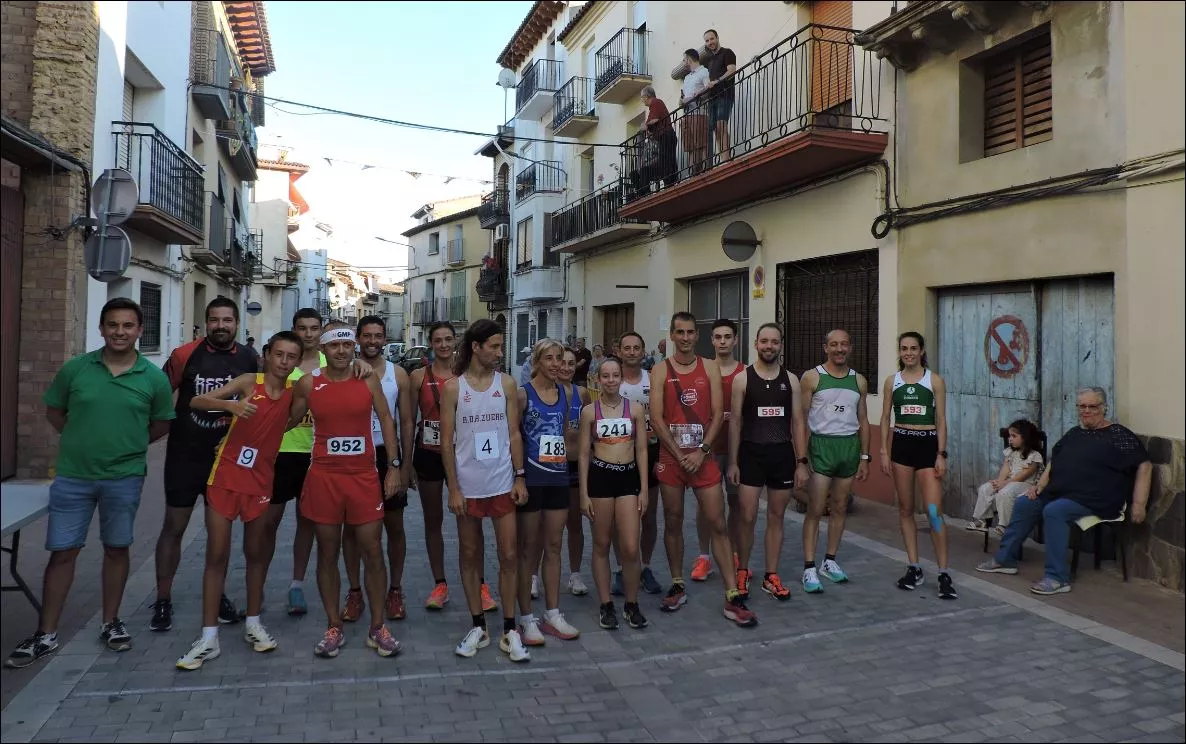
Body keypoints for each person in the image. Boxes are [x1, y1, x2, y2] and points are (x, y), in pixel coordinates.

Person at [7, 299, 174, 668]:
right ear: (101, 329)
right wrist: (80, 439)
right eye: (112, 325)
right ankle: (45, 634)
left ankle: (111, 622)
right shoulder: (76, 370)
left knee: (117, 548)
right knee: (63, 552)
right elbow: (55, 411)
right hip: (73, 477)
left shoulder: (154, 378)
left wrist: (129, 447)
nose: (119, 331)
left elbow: (161, 424)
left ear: (139, 330)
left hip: (124, 478)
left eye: (127, 325)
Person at [175, 332, 303, 669]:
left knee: (256, 554)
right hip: (225, 477)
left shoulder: (295, 392)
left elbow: (321, 394)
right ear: (267, 355)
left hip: (261, 481)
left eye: (291, 356)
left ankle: (253, 623)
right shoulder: (249, 381)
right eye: (279, 354)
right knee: (217, 554)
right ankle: (208, 637)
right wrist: (230, 405)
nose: (284, 362)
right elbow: (195, 402)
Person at [287, 326, 402, 658]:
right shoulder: (309, 383)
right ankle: (333, 625)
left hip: (363, 477)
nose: (341, 350)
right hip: (324, 477)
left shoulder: (367, 378)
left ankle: (378, 626)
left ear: (353, 346)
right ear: (324, 348)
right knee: (327, 552)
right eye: (334, 344)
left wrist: (393, 466)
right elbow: (289, 420)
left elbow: (386, 418)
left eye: (346, 344)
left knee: (373, 551)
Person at [977, 387, 1153, 595]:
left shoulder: (1118, 435)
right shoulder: (1074, 433)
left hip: (1096, 498)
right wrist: (1039, 486)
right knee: (1026, 502)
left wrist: (1139, 504)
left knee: (1055, 511)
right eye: (1082, 406)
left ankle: (1057, 577)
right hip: (1061, 492)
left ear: (1104, 408)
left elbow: (1144, 465)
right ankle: (1005, 559)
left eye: (1092, 406)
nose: (1087, 411)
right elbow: (1053, 461)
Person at [151, 297, 259, 632]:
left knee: (219, 538)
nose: (221, 326)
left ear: (237, 324)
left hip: (224, 461)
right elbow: (158, 396)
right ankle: (163, 599)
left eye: (228, 320)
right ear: (205, 322)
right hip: (185, 456)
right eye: (214, 320)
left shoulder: (249, 357)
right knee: (174, 528)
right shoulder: (184, 355)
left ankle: (218, 596)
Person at [651, 312, 757, 626]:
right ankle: (677, 583)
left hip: (703, 457)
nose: (685, 337)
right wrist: (679, 453)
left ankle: (731, 594)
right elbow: (656, 418)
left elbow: (716, 414)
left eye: (690, 332)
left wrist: (702, 451)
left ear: (697, 336)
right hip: (672, 459)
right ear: (671, 335)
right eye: (679, 332)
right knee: (673, 520)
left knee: (718, 523)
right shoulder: (659, 370)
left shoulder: (709, 367)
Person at [441, 320, 532, 662]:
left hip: (501, 483)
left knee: (508, 555)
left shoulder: (506, 384)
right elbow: (448, 444)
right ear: (476, 347)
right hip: (468, 486)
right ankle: (478, 625)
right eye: (493, 346)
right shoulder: (453, 388)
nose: (498, 352)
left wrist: (519, 477)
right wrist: (453, 488)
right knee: (469, 554)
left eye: (500, 346)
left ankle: (510, 629)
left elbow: (513, 434)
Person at [410, 322, 498, 612]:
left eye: (449, 339)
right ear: (430, 343)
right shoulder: (418, 377)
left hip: (464, 454)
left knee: (472, 523)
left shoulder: (466, 377)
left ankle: (481, 585)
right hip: (428, 454)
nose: (444, 345)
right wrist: (406, 462)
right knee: (433, 521)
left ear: (456, 342)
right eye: (438, 340)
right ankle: (440, 584)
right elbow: (410, 420)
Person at [340, 317, 415, 623]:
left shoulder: (398, 374)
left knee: (394, 527)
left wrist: (405, 465)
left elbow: (407, 421)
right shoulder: (345, 371)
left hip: (387, 456)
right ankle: (355, 591)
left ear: (385, 339)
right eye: (367, 335)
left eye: (378, 336)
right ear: (358, 338)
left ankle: (395, 590)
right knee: (352, 531)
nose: (372, 341)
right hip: (353, 457)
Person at [727, 323, 808, 602]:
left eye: (774, 342)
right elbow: (735, 422)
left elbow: (798, 422)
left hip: (782, 455)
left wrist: (801, 462)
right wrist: (733, 462)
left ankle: (771, 575)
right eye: (764, 341)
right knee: (747, 517)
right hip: (750, 455)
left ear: (780, 345)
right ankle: (742, 570)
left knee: (776, 517)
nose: (769, 346)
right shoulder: (742, 379)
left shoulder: (791, 380)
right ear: (756, 344)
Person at [879, 332, 957, 599]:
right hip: (901, 444)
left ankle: (944, 572)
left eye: (913, 348)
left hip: (927, 445)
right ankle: (914, 566)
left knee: (934, 512)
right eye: (904, 349)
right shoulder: (893, 381)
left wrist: (941, 454)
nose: (908, 353)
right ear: (899, 352)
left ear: (922, 351)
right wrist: (883, 452)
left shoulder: (934, 380)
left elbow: (942, 419)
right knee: (905, 509)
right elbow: (885, 416)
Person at [515, 340, 582, 646]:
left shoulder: (566, 394)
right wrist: (517, 477)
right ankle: (526, 618)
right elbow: (513, 436)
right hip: (531, 479)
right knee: (529, 549)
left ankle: (553, 613)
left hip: (558, 479)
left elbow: (567, 437)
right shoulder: (522, 395)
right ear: (538, 362)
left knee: (554, 545)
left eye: (559, 358)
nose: (556, 364)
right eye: (550, 359)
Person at [578, 356, 650, 630]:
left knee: (631, 547)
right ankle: (606, 604)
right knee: (602, 543)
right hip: (601, 478)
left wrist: (644, 489)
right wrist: (583, 493)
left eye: (615, 375)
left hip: (628, 478)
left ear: (621, 378)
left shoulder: (634, 409)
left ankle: (632, 604)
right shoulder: (589, 412)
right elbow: (584, 453)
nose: (610, 380)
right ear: (598, 379)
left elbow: (642, 450)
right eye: (605, 376)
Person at [265, 308, 325, 617]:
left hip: (315, 455)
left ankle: (296, 586)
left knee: (307, 523)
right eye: (302, 328)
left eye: (314, 328)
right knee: (267, 524)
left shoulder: (332, 363)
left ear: (321, 330)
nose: (309, 334)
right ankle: (256, 585)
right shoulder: (282, 363)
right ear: (294, 329)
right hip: (281, 452)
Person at [799, 329, 869, 594]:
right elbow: (802, 419)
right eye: (834, 345)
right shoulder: (812, 377)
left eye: (844, 345)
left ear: (850, 348)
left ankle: (829, 561)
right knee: (816, 509)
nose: (839, 349)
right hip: (821, 446)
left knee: (840, 507)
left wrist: (864, 456)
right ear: (825, 347)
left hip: (848, 447)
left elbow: (863, 420)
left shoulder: (859, 381)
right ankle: (808, 567)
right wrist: (802, 459)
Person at [692, 319, 744, 584]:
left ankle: (733, 554)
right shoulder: (702, 371)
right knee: (706, 508)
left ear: (735, 340)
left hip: (736, 451)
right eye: (718, 337)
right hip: (708, 450)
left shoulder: (746, 373)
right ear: (711, 341)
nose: (722, 341)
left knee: (735, 505)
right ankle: (704, 557)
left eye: (727, 337)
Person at [611, 332, 663, 596]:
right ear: (619, 350)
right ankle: (621, 569)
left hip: (650, 452)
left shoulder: (653, 379)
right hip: (617, 454)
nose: (631, 352)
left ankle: (644, 566)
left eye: (636, 348)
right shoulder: (611, 378)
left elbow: (662, 417)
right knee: (618, 520)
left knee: (649, 515)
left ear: (644, 351)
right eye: (627, 348)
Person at [968, 419, 1044, 535]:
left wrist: (1005, 484)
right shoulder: (1011, 453)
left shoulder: (1034, 456)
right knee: (985, 488)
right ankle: (981, 519)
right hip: (1010, 482)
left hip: (1026, 486)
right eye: (1009, 436)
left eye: (1014, 436)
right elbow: (1005, 469)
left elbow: (1023, 476)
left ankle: (1004, 524)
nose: (1010, 439)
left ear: (1025, 437)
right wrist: (999, 482)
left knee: (1005, 492)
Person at [558, 347, 591, 597]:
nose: (567, 368)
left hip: (575, 465)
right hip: (550, 464)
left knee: (575, 523)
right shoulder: (542, 392)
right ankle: (535, 576)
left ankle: (575, 574)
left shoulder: (582, 393)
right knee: (545, 526)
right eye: (562, 363)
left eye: (571, 363)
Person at [703, 29, 738, 162]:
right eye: (707, 41)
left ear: (717, 38)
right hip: (713, 98)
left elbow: (732, 71)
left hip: (725, 94)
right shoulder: (710, 61)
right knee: (715, 129)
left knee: (721, 125)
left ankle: (726, 159)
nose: (710, 42)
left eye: (712, 39)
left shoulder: (727, 52)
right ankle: (724, 158)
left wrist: (717, 81)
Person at [640, 85, 679, 188]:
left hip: (666, 135)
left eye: (642, 98)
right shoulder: (654, 106)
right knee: (666, 160)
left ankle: (670, 182)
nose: (642, 101)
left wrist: (646, 125)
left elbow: (655, 120)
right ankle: (670, 182)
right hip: (665, 136)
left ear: (647, 96)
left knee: (667, 160)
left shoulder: (656, 102)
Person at [680, 48, 711, 175]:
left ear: (689, 58)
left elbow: (708, 89)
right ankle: (693, 173)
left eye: (684, 60)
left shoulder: (704, 71)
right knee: (690, 146)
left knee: (702, 143)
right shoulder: (686, 78)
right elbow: (683, 95)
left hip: (700, 113)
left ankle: (706, 169)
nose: (683, 63)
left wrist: (692, 97)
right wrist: (681, 101)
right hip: (687, 115)